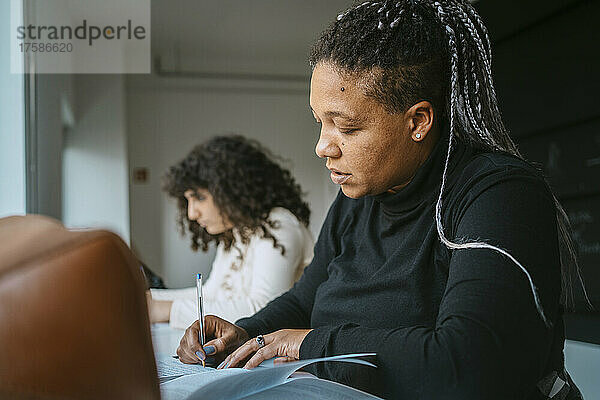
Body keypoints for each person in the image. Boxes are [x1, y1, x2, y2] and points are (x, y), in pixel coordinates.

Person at [176, 1, 589, 398]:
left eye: (347, 128)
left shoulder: (499, 195)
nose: (323, 147)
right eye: (320, 122)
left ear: (418, 121)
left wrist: (309, 345)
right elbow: (307, 299)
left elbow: (469, 364)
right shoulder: (357, 199)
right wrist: (247, 333)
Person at [148, 135, 314, 330]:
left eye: (199, 198)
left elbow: (263, 309)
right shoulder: (237, 232)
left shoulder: (279, 224)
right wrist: (151, 298)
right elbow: (211, 293)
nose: (192, 213)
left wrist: (167, 309)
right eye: (188, 201)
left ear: (231, 191)